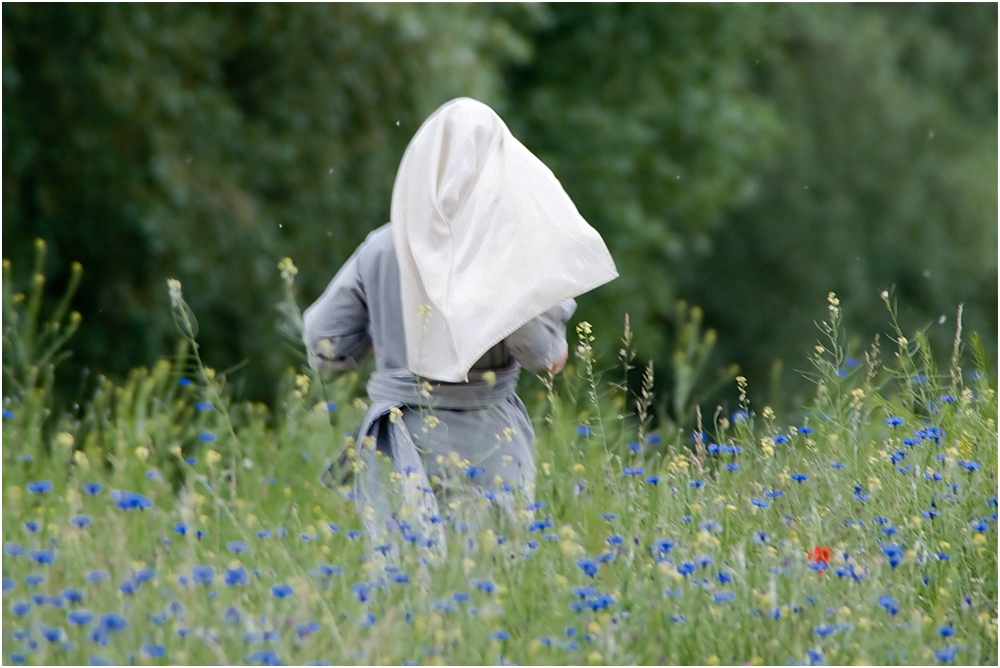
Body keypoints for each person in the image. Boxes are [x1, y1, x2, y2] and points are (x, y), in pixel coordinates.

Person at [303, 98, 617, 558]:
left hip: (398, 439)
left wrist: (384, 334)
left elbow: (322, 342)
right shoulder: (502, 253)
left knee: (406, 596)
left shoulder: (382, 246)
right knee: (486, 595)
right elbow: (541, 355)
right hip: (486, 443)